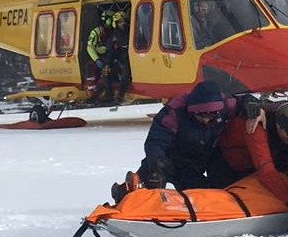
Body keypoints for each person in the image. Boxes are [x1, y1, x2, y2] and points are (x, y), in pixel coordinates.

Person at [110, 80, 258, 201]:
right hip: (171, 160)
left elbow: (244, 100)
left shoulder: (226, 104)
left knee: (206, 196)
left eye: (212, 116)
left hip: (201, 162)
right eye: (201, 116)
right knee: (150, 177)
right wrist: (157, 164)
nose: (206, 120)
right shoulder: (174, 111)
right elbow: (155, 141)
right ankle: (123, 192)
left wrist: (252, 104)